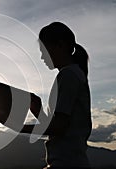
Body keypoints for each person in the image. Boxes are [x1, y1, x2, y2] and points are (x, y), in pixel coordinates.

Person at [19, 22, 92, 169]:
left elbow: (58, 128)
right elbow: (60, 128)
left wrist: (20, 128)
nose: (42, 57)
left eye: (44, 50)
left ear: (60, 45)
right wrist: (38, 112)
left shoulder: (69, 75)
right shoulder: (71, 74)